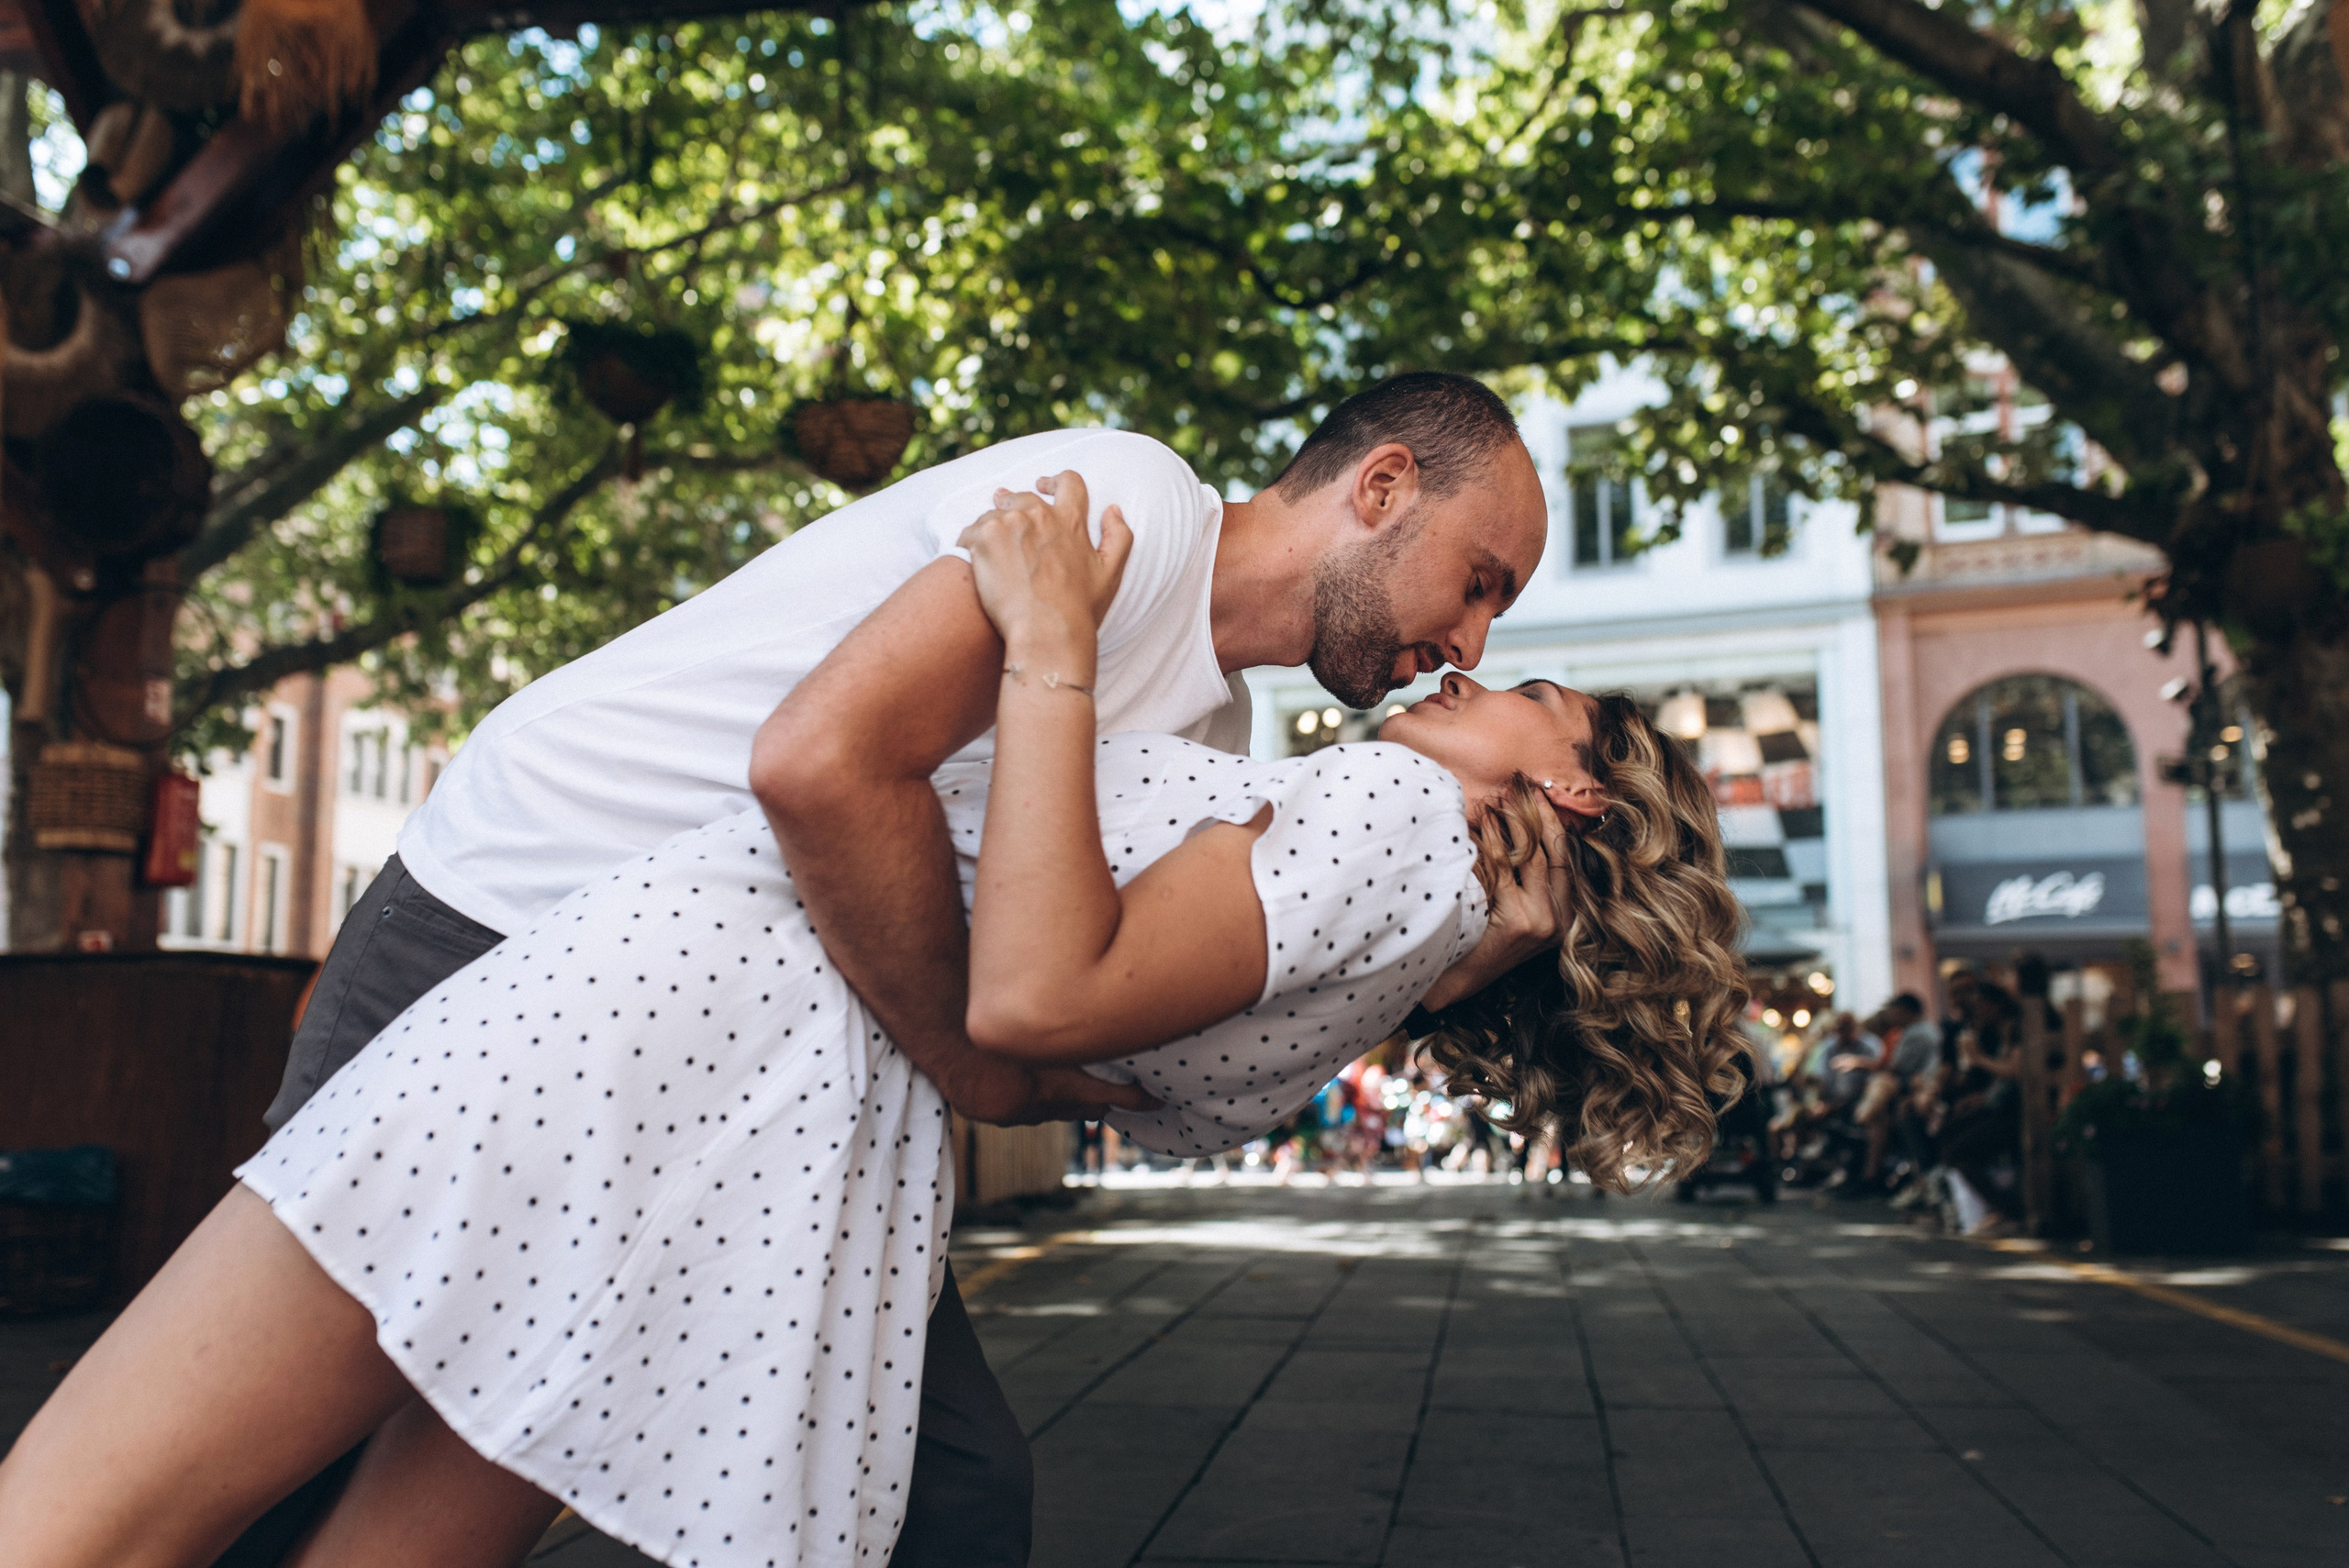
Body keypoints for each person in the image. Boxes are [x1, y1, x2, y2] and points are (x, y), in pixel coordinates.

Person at [0, 483, 1750, 1568]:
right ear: (1381, 487)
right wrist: (1460, 969)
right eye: (1489, 591)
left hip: (653, 1022)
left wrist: (1046, 654)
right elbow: (1105, 1039)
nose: (1477, 650)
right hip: (695, 1045)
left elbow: (1027, 994)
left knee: (95, 1506)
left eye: (1520, 674)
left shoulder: (1360, 807)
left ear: (1578, 801)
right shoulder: (1298, 766)